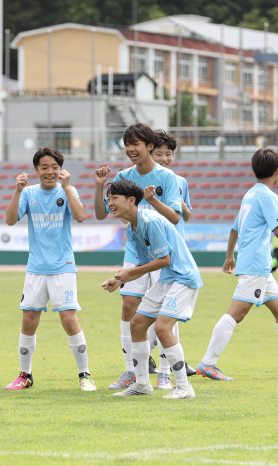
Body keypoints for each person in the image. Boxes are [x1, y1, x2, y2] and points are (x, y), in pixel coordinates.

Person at [195, 148, 278, 381]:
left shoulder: (250, 194)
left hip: (260, 266)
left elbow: (235, 228)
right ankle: (208, 363)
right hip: (256, 265)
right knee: (236, 314)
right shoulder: (268, 196)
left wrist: (229, 256)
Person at [93, 123, 183, 390]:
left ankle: (165, 371)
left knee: (164, 311)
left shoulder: (167, 177)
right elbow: (102, 214)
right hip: (135, 249)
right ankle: (131, 371)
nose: (131, 149)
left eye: (136, 144)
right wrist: (99, 188)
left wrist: (152, 201)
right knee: (128, 307)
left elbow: (176, 218)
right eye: (127, 144)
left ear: (150, 146)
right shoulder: (123, 175)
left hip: (161, 249)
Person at [4, 147, 96, 391]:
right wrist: (17, 190)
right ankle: (25, 375)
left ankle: (85, 375)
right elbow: (10, 220)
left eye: (54, 167)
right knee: (28, 320)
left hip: (63, 267)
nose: (50, 172)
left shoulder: (68, 190)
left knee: (68, 318)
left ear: (61, 169)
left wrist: (67, 188)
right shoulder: (28, 193)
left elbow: (81, 216)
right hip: (36, 268)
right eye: (44, 167)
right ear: (35, 170)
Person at [101, 179, 202, 399]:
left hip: (183, 278)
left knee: (162, 328)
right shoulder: (132, 227)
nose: (110, 203)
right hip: (167, 279)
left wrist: (128, 274)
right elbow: (144, 263)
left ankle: (184, 388)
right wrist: (120, 279)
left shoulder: (150, 220)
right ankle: (142, 385)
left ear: (131, 200)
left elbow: (164, 259)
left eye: (114, 198)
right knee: (137, 325)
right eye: (108, 199)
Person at [150, 129, 197, 387]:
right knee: (148, 311)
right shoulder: (146, 178)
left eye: (169, 154)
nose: (165, 158)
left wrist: (181, 203)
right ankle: (147, 362)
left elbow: (186, 216)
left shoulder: (180, 181)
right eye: (160, 154)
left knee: (168, 312)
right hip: (152, 251)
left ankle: (167, 368)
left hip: (175, 250)